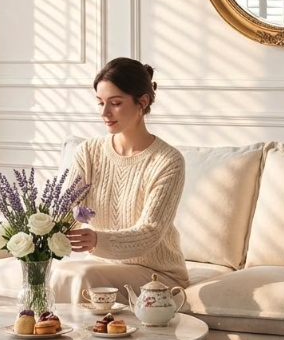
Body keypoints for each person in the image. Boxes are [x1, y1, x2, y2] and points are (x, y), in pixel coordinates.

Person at [51, 57, 189, 305]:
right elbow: (64, 213)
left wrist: (97, 240)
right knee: (64, 272)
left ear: (142, 102)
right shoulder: (88, 152)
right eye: (100, 103)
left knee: (83, 275)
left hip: (157, 273)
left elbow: (150, 233)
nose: (104, 113)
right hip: (101, 266)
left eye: (115, 103)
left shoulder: (168, 160)